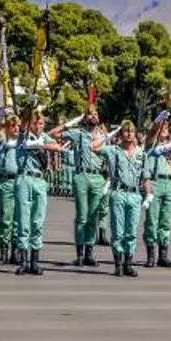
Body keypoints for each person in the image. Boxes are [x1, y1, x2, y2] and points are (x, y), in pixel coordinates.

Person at [50, 108, 107, 268]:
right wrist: (71, 122)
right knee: (82, 216)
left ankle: (89, 252)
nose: (93, 116)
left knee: (93, 217)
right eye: (89, 114)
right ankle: (80, 254)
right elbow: (53, 134)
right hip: (82, 175)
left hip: (98, 177)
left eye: (95, 113)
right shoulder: (78, 133)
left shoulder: (104, 136)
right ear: (84, 117)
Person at [93, 121, 150, 277]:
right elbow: (94, 147)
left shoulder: (141, 154)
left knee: (131, 232)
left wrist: (148, 195)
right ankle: (118, 264)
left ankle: (128, 264)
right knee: (118, 231)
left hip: (135, 195)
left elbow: (145, 177)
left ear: (135, 133)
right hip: (118, 192)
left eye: (131, 131)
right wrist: (110, 134)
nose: (129, 134)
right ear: (121, 133)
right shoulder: (113, 150)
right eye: (125, 131)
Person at [14, 111, 62, 276]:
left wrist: (42, 145)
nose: (38, 126)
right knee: (23, 221)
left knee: (37, 221)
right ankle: (23, 261)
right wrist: (29, 109)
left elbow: (57, 147)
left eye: (41, 123)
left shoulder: (44, 138)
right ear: (29, 124)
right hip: (25, 178)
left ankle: (34, 262)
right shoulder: (24, 136)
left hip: (39, 180)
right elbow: (22, 128)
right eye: (35, 123)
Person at [142, 121, 171, 268]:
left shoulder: (170, 146)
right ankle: (151, 255)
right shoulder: (151, 145)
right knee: (152, 221)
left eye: (166, 127)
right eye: (162, 127)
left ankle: (163, 255)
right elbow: (151, 135)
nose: (165, 129)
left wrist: (170, 144)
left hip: (170, 183)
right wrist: (157, 125)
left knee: (166, 222)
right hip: (155, 182)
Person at [0, 116, 20, 265]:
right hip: (5, 182)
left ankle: (15, 252)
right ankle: (3, 252)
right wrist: (0, 116)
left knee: (18, 219)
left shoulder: (22, 142)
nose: (16, 128)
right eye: (13, 126)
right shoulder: (2, 141)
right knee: (5, 218)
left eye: (18, 126)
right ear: (7, 128)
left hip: (19, 181)